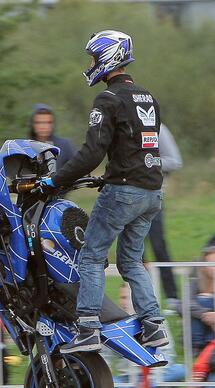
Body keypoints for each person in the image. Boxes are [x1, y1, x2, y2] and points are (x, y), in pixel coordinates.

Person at [45, 30, 168, 353]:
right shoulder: (148, 98)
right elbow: (136, 148)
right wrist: (109, 175)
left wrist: (54, 180)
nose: (90, 64)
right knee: (131, 262)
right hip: (152, 192)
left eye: (93, 57)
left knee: (91, 257)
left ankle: (87, 327)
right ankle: (154, 325)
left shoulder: (108, 99)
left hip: (124, 193)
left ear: (107, 57)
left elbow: (91, 152)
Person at [147, 123, 183, 307]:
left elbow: (175, 161)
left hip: (153, 198)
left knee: (158, 246)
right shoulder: (123, 126)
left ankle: (172, 296)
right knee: (131, 251)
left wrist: (149, 162)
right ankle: (139, 298)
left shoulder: (158, 128)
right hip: (126, 200)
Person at [28, 104, 77, 170]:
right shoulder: (26, 147)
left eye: (48, 122)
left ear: (53, 124)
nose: (43, 127)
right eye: (39, 122)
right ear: (33, 124)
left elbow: (77, 170)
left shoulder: (65, 146)